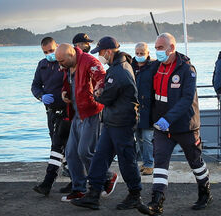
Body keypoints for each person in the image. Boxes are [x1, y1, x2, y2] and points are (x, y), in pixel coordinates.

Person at [137, 33, 212, 216]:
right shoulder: (155, 67)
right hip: (162, 129)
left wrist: (168, 119)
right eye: (155, 48)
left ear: (171, 48)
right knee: (160, 162)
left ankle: (205, 192)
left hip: (185, 126)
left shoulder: (187, 70)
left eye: (160, 48)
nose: (157, 51)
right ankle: (157, 202)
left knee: (195, 162)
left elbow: (186, 99)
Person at [70, 36, 142, 210]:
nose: (99, 56)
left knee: (126, 160)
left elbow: (107, 97)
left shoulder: (119, 71)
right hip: (112, 121)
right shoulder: (118, 67)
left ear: (109, 52)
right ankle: (93, 193)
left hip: (121, 123)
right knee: (100, 158)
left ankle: (135, 195)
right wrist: (102, 92)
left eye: (101, 52)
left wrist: (96, 94)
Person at [55, 43, 118, 202]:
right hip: (77, 113)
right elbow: (67, 81)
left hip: (91, 112)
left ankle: (107, 177)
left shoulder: (90, 61)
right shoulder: (68, 64)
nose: (59, 64)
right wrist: (64, 91)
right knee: (70, 153)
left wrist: (98, 89)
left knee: (85, 151)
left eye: (61, 61)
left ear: (70, 55)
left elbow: (102, 78)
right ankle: (79, 189)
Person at [31, 37, 71, 196]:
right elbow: (35, 85)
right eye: (45, 52)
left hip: (66, 111)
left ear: (58, 47)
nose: (49, 54)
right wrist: (41, 96)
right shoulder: (42, 65)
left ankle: (48, 182)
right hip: (51, 112)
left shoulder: (66, 64)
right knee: (60, 146)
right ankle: (75, 180)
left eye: (51, 51)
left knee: (58, 146)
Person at [131, 42, 156, 175]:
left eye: (142, 53)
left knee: (147, 137)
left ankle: (149, 163)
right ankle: (145, 162)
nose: (139, 56)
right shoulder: (130, 66)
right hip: (134, 108)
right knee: (138, 137)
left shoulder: (153, 67)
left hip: (148, 108)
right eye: (137, 53)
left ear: (147, 53)